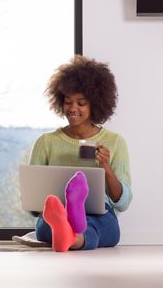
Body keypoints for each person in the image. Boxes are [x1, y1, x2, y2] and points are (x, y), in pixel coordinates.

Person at [29, 55, 132, 252]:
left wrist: (106, 167)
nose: (73, 108)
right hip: (57, 211)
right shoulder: (46, 143)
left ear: (95, 104)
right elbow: (34, 204)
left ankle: (69, 232)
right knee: (47, 223)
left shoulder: (115, 142)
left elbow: (123, 203)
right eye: (68, 102)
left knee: (103, 225)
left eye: (81, 103)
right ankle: (73, 232)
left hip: (99, 212)